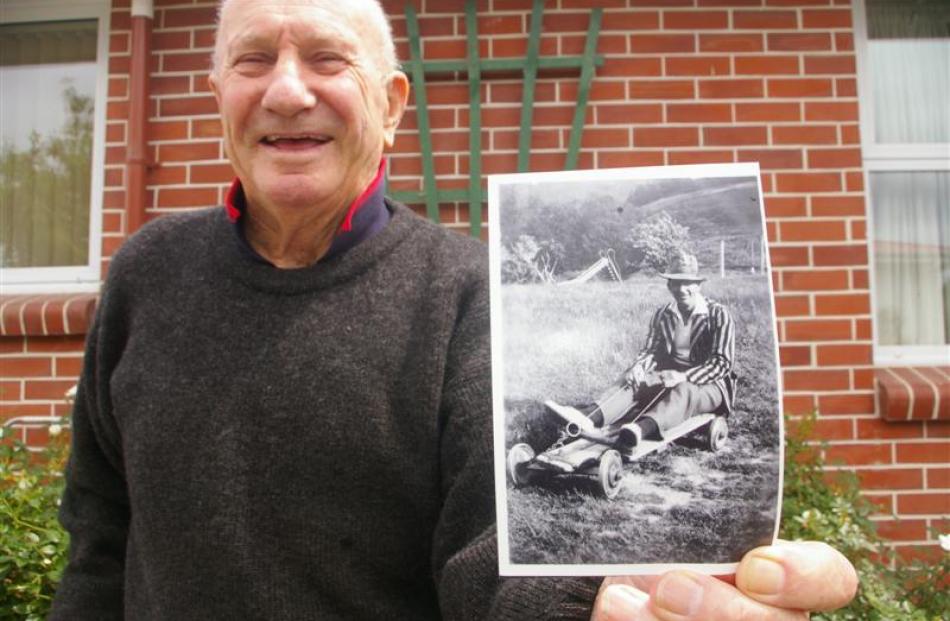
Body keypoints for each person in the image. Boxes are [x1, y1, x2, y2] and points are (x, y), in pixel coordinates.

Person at [50, 0, 858, 619]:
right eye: (252, 59)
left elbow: (489, 568)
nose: (287, 90)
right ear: (220, 91)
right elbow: (101, 539)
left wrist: (605, 600)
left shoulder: (467, 293)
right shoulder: (146, 272)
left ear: (393, 104)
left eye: (328, 59)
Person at [617, 251, 735, 450]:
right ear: (669, 286)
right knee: (631, 378)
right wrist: (639, 367)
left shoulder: (718, 314)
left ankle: (639, 429)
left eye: (688, 283)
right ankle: (591, 415)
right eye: (676, 283)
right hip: (670, 376)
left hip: (710, 385)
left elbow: (721, 363)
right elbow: (651, 350)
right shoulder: (664, 314)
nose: (682, 289)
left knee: (685, 389)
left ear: (698, 285)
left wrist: (683, 376)